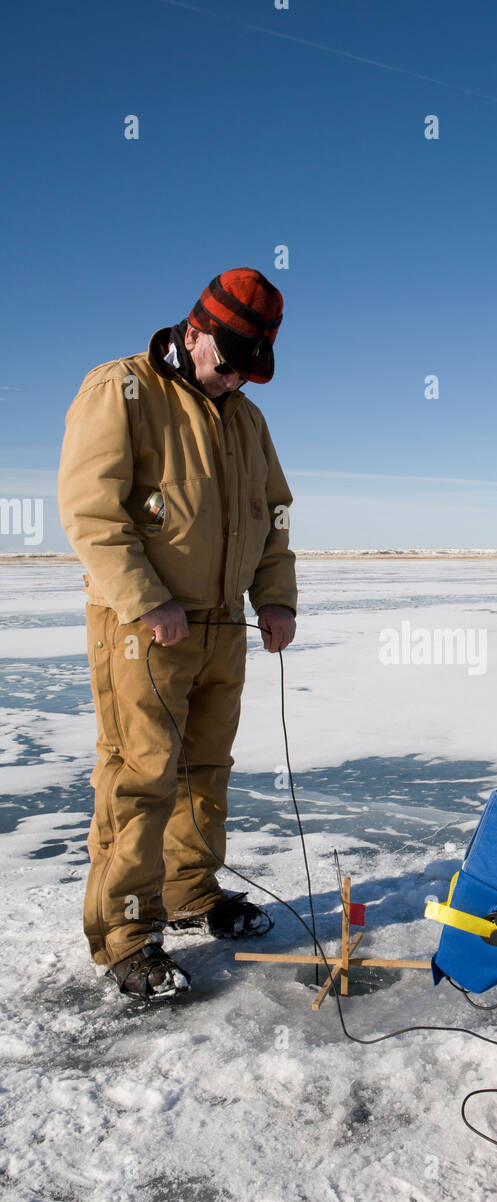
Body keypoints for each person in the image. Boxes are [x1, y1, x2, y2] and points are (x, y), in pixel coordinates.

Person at [58, 268, 297, 1000]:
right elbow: (91, 510)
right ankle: (126, 935)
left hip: (222, 626)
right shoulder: (123, 390)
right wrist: (145, 599)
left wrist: (277, 599)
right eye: (226, 366)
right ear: (194, 332)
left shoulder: (247, 419)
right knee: (140, 777)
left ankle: (191, 892)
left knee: (206, 772)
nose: (233, 383)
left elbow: (276, 517)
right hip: (145, 628)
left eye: (247, 374)